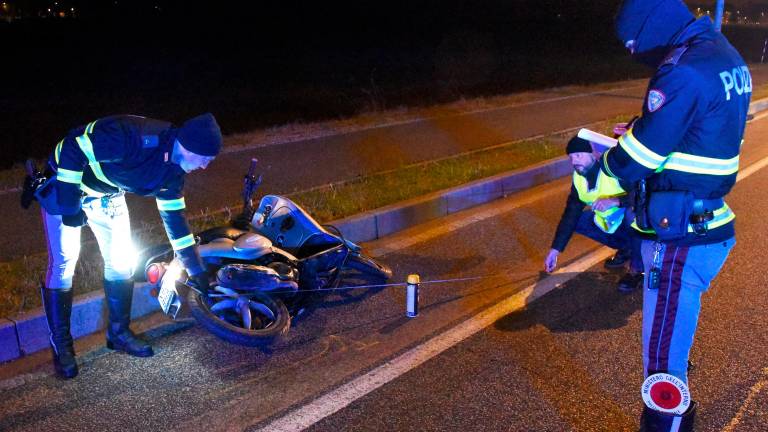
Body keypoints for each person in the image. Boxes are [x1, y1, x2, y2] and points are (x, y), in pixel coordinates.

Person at [602, 1, 750, 430]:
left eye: (636, 47)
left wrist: (606, 170)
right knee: (672, 343)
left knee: (662, 373)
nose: (637, 56)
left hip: (680, 238)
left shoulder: (681, 69)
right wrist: (643, 127)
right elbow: (700, 127)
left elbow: (641, 157)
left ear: (650, 32)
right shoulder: (722, 52)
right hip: (707, 219)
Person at [27, 113, 222, 379]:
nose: (205, 167)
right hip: (67, 187)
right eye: (206, 160)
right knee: (64, 263)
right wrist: (70, 205)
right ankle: (62, 346)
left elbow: (176, 223)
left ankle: (118, 334)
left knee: (121, 262)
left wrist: (196, 271)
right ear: (192, 147)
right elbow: (73, 147)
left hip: (107, 195)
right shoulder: (134, 138)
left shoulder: (173, 174)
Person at [545, 135, 643, 293]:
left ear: (594, 153)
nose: (574, 161)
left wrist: (616, 201)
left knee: (633, 216)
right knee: (577, 221)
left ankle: (637, 270)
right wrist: (555, 250)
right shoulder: (579, 179)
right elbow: (570, 214)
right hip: (613, 223)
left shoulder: (614, 169)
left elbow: (642, 195)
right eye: (570, 157)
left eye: (578, 155)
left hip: (634, 219)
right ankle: (627, 249)